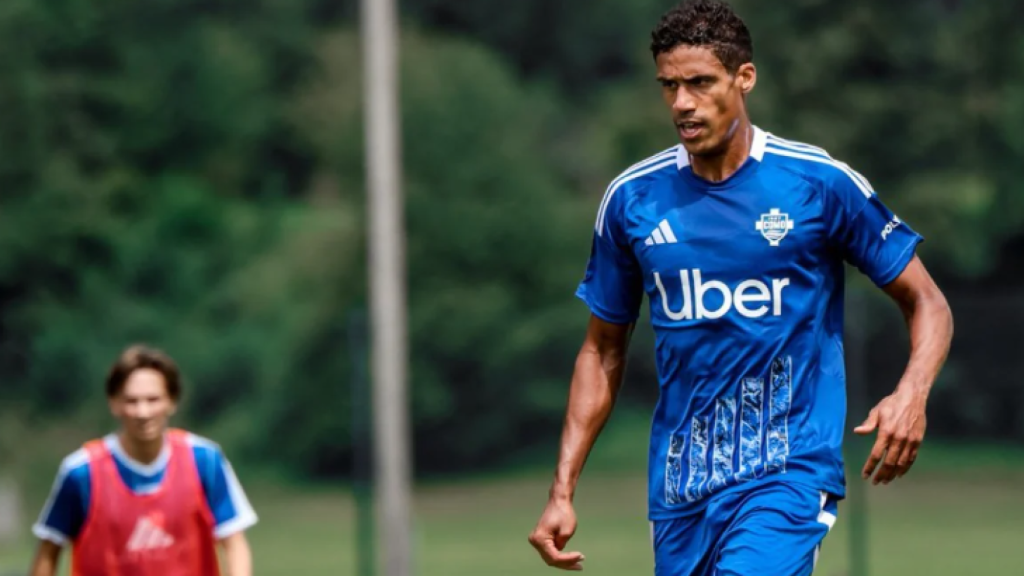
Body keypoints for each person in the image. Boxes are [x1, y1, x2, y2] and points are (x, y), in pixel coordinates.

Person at [527, 0, 954, 574]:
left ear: (744, 77)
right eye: (669, 85)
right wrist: (561, 491)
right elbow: (602, 350)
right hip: (680, 488)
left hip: (787, 472)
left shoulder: (818, 183)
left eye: (700, 82)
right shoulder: (631, 199)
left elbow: (927, 301)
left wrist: (912, 394)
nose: (682, 102)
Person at [29, 344, 258, 576]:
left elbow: (235, 543)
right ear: (114, 403)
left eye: (153, 399)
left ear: (172, 401)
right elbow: (48, 551)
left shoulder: (205, 461)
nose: (143, 412)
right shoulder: (82, 472)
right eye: (132, 401)